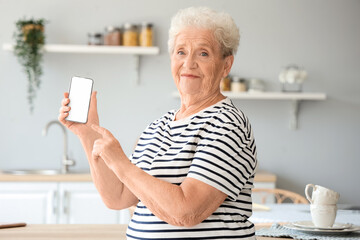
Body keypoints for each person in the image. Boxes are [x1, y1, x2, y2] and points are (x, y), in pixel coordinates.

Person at [59, 6, 257, 240]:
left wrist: (121, 163)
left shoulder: (227, 124)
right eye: (181, 52)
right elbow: (119, 197)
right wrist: (87, 134)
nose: (189, 63)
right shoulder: (158, 126)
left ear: (226, 65)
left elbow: (187, 212)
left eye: (203, 53)